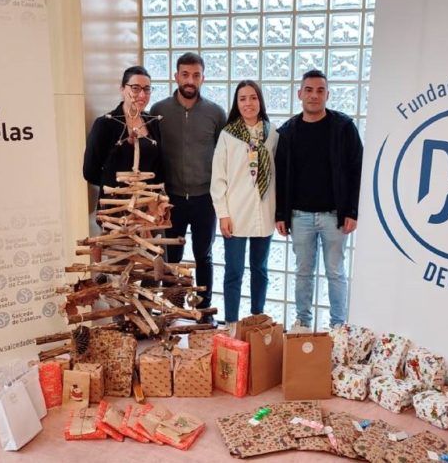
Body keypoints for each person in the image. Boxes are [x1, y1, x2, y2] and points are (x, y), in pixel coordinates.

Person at [275, 69, 363, 332]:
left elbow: (357, 169)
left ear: (327, 94)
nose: (314, 96)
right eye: (309, 90)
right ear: (300, 93)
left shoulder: (343, 127)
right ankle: (302, 323)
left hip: (334, 215)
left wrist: (352, 211)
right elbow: (281, 176)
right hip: (299, 216)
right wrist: (281, 214)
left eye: (320, 90)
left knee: (335, 272)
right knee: (303, 273)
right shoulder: (287, 132)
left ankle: (339, 327)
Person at [150, 53, 226, 324]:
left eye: (196, 75)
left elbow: (225, 157)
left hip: (205, 198)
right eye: (185, 74)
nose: (190, 80)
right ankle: (172, 309)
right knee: (172, 257)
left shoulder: (216, 114)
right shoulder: (158, 111)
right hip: (171, 199)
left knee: (204, 255)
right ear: (176, 76)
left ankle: (204, 312)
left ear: (203, 78)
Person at [211, 81, 278, 333]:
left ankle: (257, 319)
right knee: (234, 271)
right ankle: (230, 323)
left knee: (260, 269)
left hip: (264, 211)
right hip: (236, 213)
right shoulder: (228, 135)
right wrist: (223, 214)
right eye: (242, 99)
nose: (248, 103)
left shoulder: (273, 133)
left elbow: (277, 174)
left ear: (260, 101)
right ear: (236, 104)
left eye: (252, 98)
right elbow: (218, 178)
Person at [83, 65, 162, 210]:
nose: (142, 95)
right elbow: (90, 171)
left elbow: (158, 166)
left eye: (147, 89)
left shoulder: (153, 122)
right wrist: (118, 189)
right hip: (116, 209)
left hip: (148, 206)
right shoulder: (105, 124)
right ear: (122, 89)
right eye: (135, 88)